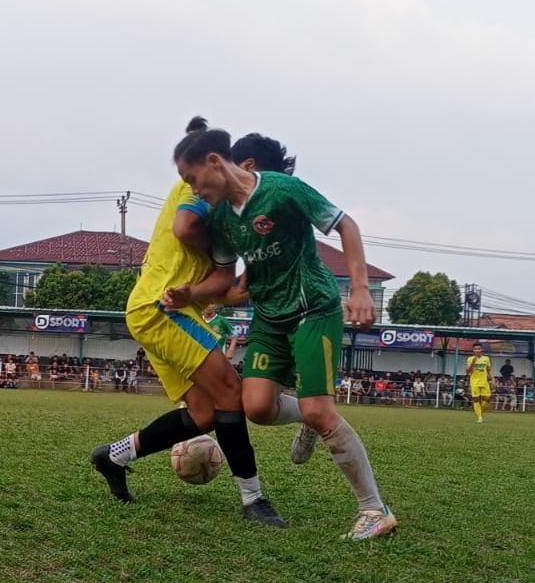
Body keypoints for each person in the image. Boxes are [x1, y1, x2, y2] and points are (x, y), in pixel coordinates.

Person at [167, 124, 396, 540]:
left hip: (314, 309)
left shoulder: (283, 190)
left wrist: (361, 289)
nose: (192, 191)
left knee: (319, 409)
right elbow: (225, 279)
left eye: (192, 180)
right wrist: (190, 294)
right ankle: (309, 417)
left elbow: (346, 226)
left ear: (215, 162)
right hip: (269, 318)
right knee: (255, 407)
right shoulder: (221, 221)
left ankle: (374, 510)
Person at [90, 117, 286, 529]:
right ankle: (254, 501)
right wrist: (225, 239)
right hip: (161, 305)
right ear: (246, 166)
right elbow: (184, 228)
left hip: (168, 307)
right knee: (231, 390)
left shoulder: (227, 211)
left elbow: (222, 287)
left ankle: (115, 455)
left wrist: (246, 279)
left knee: (203, 414)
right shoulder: (198, 187)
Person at [466, 343, 492, 423]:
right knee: (476, 400)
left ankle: (480, 413)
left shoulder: (486, 359)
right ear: (473, 350)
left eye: (479, 348)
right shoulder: (470, 359)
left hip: (484, 381)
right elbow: (468, 371)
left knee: (487, 399)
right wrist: (473, 362)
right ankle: (480, 417)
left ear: (481, 350)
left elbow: (488, 369)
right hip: (474, 382)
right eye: (475, 349)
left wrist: (491, 378)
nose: (477, 350)